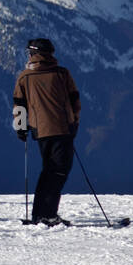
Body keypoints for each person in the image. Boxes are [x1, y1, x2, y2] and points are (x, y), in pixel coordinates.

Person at [12, 37, 81, 226]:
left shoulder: (24, 77)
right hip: (62, 129)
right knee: (59, 171)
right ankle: (47, 214)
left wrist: (21, 128)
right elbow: (75, 99)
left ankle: (40, 214)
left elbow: (19, 105)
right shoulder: (61, 73)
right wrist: (74, 122)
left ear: (34, 55)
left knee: (48, 171)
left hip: (40, 131)